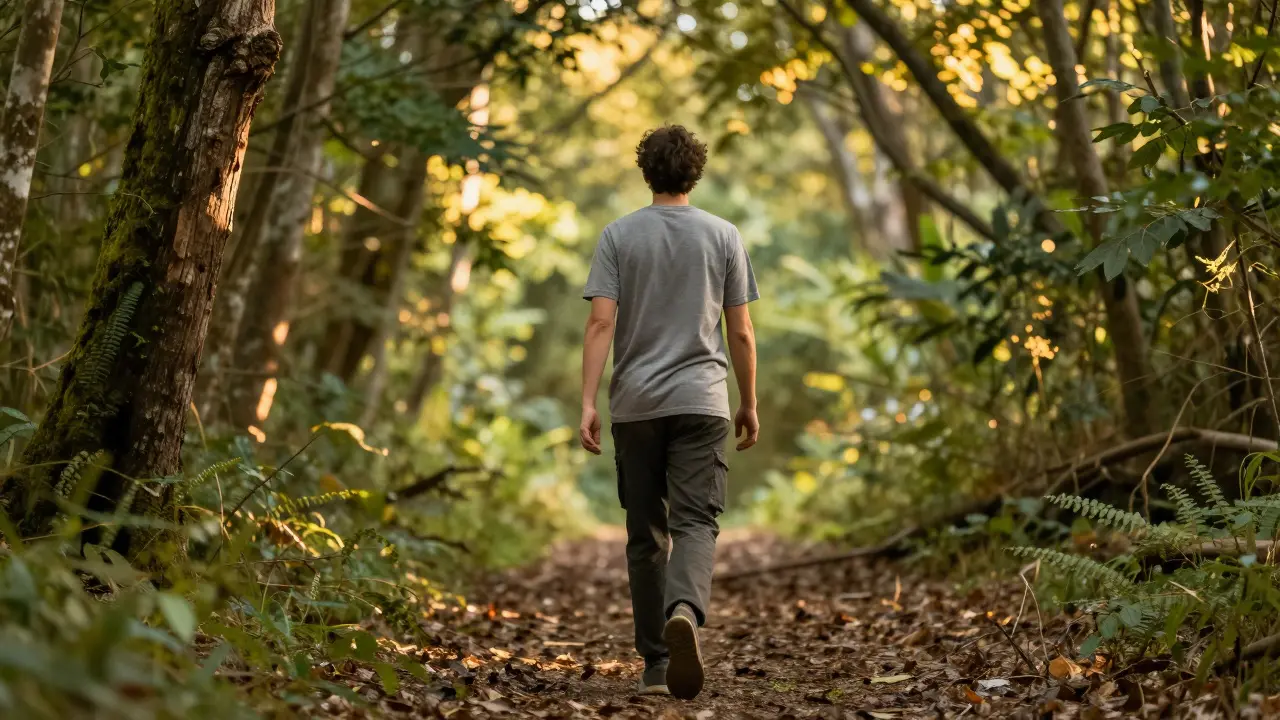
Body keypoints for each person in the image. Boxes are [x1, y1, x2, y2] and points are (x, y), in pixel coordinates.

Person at [579, 125, 760, 700]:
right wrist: (749, 402)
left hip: (635, 405)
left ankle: (657, 664)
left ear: (645, 171)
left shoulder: (617, 236)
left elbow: (600, 322)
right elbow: (741, 332)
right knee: (696, 521)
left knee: (644, 533)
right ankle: (685, 609)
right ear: (695, 173)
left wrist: (586, 401)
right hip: (703, 402)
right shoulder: (724, 236)